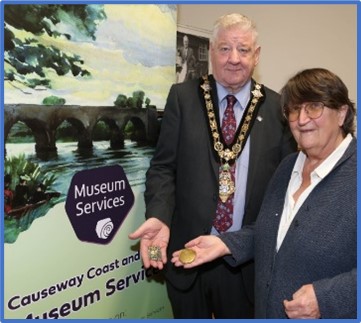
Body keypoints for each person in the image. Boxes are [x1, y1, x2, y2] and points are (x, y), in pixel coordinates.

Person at [129, 13, 297, 318]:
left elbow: (287, 188)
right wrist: (159, 216)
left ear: (256, 55)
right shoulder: (182, 98)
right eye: (224, 48)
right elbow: (163, 168)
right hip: (186, 255)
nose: (234, 59)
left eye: (243, 50)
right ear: (211, 50)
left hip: (244, 261)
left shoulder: (277, 108)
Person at [171, 68, 357, 319]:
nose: (302, 119)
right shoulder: (288, 167)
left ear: (342, 113)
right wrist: (225, 243)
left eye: (314, 107)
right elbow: (271, 232)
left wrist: (327, 298)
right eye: (294, 109)